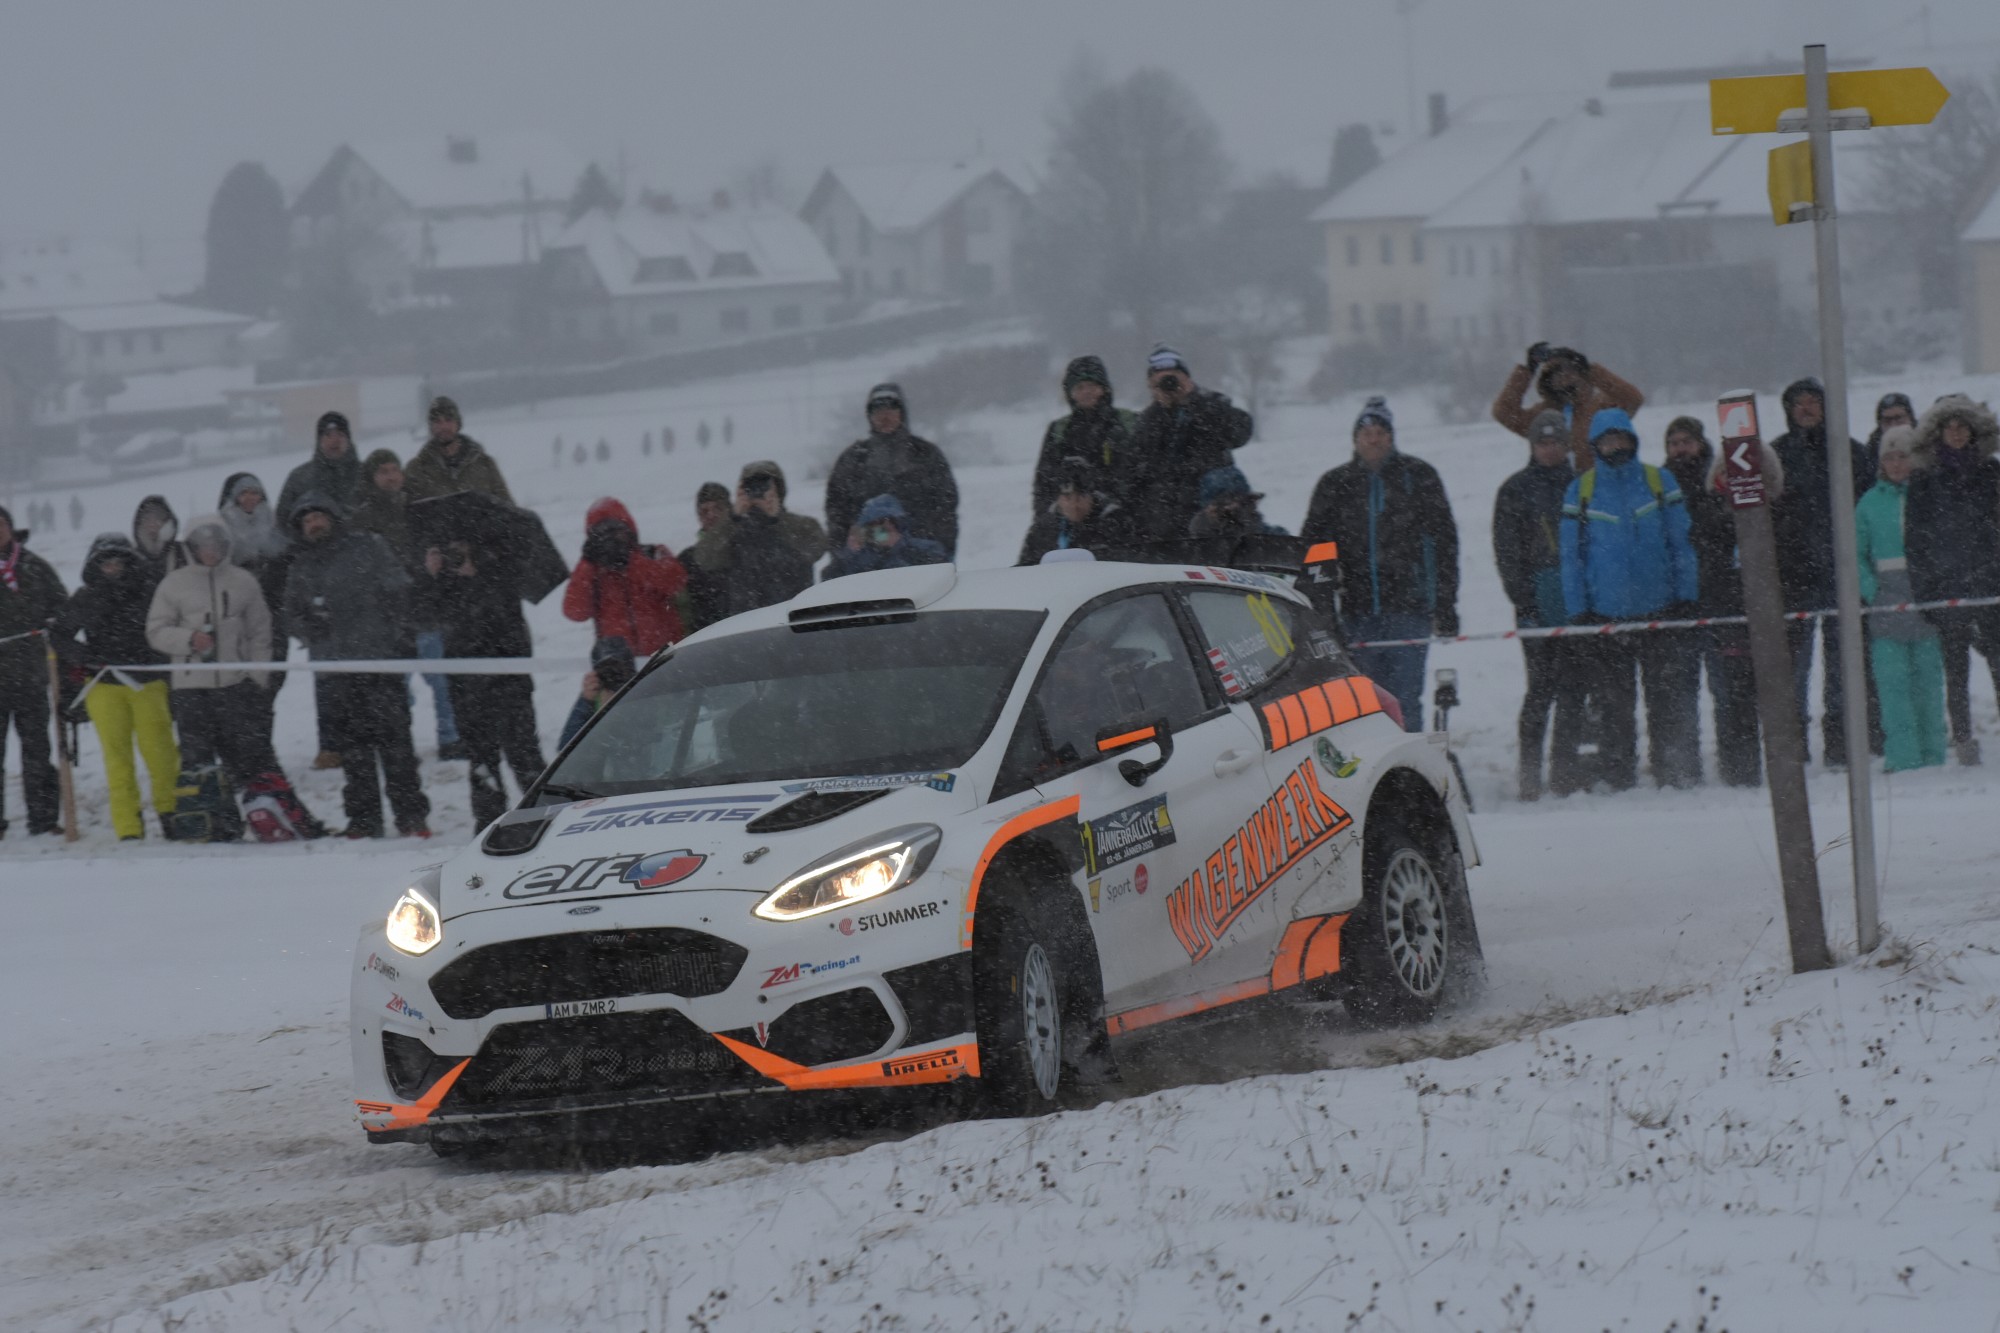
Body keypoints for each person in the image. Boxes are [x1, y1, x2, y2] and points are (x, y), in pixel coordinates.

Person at [146, 515, 323, 840]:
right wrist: (189, 639)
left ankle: (279, 818)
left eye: (216, 544)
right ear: (192, 547)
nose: (210, 551)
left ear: (226, 545)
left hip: (235, 688)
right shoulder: (173, 584)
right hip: (190, 690)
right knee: (198, 763)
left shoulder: (244, 581)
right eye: (203, 544)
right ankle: (215, 825)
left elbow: (260, 633)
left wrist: (256, 677)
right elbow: (156, 631)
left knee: (256, 757)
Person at [1559, 409, 1701, 790]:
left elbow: (1681, 544)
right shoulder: (1581, 490)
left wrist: (1686, 595)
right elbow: (1571, 558)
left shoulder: (1658, 481)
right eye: (1607, 441)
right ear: (1596, 446)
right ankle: (1618, 773)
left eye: (1621, 439)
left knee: (1665, 698)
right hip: (1606, 615)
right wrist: (1578, 611)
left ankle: (1672, 769)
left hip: (1660, 610)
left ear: (1633, 441)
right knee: (1613, 703)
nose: (1615, 447)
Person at [1300, 396, 1459, 730]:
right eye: (1367, 433)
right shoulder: (1334, 483)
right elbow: (1313, 548)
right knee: (1361, 701)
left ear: (1391, 437)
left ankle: (1410, 760)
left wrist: (1445, 604)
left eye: (1380, 433)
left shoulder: (1419, 476)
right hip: (1355, 614)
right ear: (1355, 439)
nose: (1374, 440)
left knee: (1405, 699)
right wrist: (1320, 609)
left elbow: (1445, 545)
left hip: (1409, 611)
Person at [284, 493, 430, 838]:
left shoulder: (368, 546)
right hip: (336, 670)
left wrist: (396, 633)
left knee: (397, 746)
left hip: (379, 662)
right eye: (306, 521)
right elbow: (291, 612)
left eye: (318, 517)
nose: (313, 525)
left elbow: (399, 589)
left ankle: (411, 817)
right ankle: (364, 820)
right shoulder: (301, 565)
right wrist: (310, 626)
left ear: (333, 516)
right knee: (354, 753)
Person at [1768, 377, 1872, 765]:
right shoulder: (1775, 455)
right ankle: (1794, 745)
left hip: (1841, 574)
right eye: (1799, 403)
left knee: (1843, 666)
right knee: (1794, 669)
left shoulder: (1849, 453)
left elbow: (1866, 511)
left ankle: (1841, 742)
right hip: (1792, 578)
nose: (1807, 409)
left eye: (1813, 401)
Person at [417, 534, 547, 830]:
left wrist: (475, 577)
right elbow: (420, 617)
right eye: (453, 553)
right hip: (466, 689)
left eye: (464, 552)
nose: (458, 559)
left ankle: (545, 818)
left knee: (524, 756)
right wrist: (432, 577)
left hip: (509, 685)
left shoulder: (502, 580)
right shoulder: (445, 586)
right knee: (481, 761)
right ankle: (489, 824)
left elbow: (505, 628)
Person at [57, 534, 181, 840]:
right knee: (117, 759)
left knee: (161, 754)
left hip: (148, 684)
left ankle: (172, 816)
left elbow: (168, 629)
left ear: (130, 562)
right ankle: (128, 827)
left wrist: (152, 657)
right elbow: (59, 635)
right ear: (95, 565)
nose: (112, 568)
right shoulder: (85, 597)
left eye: (118, 561)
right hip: (103, 687)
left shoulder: (151, 592)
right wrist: (86, 657)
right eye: (106, 563)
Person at [1492, 409, 1587, 799]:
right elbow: (1507, 552)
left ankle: (1565, 773)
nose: (1549, 450)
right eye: (1542, 443)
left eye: (1555, 442)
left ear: (1566, 445)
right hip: (1536, 602)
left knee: (1574, 691)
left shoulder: (1580, 484)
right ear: (1532, 446)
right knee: (1540, 690)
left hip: (1576, 602)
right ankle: (1529, 775)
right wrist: (1524, 601)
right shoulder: (1515, 489)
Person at [1661, 417, 1759, 788]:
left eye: (1686, 441)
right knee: (1680, 691)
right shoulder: (1660, 484)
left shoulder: (1720, 481)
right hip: (1678, 603)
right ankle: (1682, 770)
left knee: (1730, 688)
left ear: (1701, 443)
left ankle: (1740, 766)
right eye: (1674, 442)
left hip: (1724, 601)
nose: (1680, 449)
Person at [1905, 394, 2000, 766]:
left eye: (1963, 427)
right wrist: (1925, 592)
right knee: (1955, 670)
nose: (1957, 433)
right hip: (1946, 587)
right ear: (1938, 432)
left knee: (1998, 661)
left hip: (1990, 584)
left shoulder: (1991, 472)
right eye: (1951, 427)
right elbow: (1916, 539)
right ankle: (1963, 739)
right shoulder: (1924, 479)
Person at [352, 447, 462, 760]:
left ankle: (450, 738)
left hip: (427, 610)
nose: (390, 477)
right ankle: (399, 741)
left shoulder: (420, 508)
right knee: (395, 684)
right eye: (383, 472)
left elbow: (438, 547)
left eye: (394, 470)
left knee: (440, 679)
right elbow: (367, 568)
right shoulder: (362, 518)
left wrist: (437, 565)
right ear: (372, 477)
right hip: (387, 617)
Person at [1856, 426, 1947, 773]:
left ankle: (1934, 754)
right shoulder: (1869, 503)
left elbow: (1942, 545)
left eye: (1903, 456)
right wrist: (1872, 592)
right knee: (1893, 687)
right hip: (1887, 609)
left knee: (1929, 684)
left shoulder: (1929, 496)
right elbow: (1855, 555)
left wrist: (1935, 587)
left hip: (1926, 607)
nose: (1896, 464)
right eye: (1889, 457)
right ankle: (1903, 756)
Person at [1124, 344, 1255, 549]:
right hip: (1163, 526)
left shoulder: (1212, 405)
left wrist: (1193, 400)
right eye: (1161, 381)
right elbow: (1135, 471)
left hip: (1212, 520)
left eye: (1173, 378)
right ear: (1151, 387)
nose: (1169, 385)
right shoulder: (1146, 422)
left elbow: (1241, 432)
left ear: (1187, 379)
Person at [825, 383, 959, 556]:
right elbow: (836, 509)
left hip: (921, 553)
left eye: (891, 409)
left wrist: (917, 541)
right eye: (878, 410)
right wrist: (847, 545)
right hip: (865, 558)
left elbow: (946, 506)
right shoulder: (853, 459)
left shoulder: (925, 454)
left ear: (902, 413)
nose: (885, 416)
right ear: (869, 416)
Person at [0, 505, 66, 837]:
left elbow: (61, 606)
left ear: (11, 528)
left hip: (31, 675)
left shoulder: (35, 566)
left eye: (1, 524)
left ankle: (42, 818)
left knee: (37, 750)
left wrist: (53, 623)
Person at [696, 461, 828, 616]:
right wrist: (734, 517)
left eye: (764, 486)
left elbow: (814, 551)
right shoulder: (733, 531)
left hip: (796, 614)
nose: (758, 492)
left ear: (779, 490)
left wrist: (778, 520)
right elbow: (705, 559)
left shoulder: (803, 525)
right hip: (749, 620)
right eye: (751, 487)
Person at [1491, 343, 1645, 474]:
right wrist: (1528, 370)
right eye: (1556, 374)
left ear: (1582, 375)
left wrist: (1592, 370)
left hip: (1596, 486)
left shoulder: (1601, 407)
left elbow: (1633, 399)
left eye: (1570, 371)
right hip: (1555, 487)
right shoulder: (1543, 415)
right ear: (1547, 380)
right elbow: (1503, 413)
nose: (1564, 378)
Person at [563, 497, 689, 656]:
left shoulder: (653, 554)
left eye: (616, 531)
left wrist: (632, 561)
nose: (610, 540)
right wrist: (587, 563)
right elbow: (574, 612)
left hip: (665, 658)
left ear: (630, 530)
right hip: (620, 664)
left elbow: (675, 582)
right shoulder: (595, 573)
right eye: (602, 534)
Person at [1031, 356, 1138, 515]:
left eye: (1092, 385)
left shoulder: (1128, 423)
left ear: (1104, 388)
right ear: (1070, 393)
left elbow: (1143, 474)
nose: (1086, 392)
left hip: (1124, 518)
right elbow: (1043, 485)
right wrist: (1054, 513)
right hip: (1071, 519)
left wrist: (1111, 504)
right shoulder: (1059, 430)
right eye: (1079, 387)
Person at [1017, 455, 1141, 565]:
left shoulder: (1115, 524)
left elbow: (1130, 566)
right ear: (1058, 498)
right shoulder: (1043, 530)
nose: (1074, 505)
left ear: (1092, 495)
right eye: (1068, 497)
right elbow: (1025, 570)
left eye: (1082, 496)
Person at [402, 396, 512, 504]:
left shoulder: (484, 464)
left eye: (448, 420)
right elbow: (404, 511)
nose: (443, 427)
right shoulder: (417, 469)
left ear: (458, 424)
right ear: (431, 427)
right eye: (437, 421)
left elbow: (508, 508)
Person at [825, 494, 949, 580]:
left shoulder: (926, 549)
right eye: (873, 526)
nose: (879, 531)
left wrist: (898, 549)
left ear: (898, 525)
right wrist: (849, 554)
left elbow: (939, 575)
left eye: (886, 525)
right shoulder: (858, 558)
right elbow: (830, 581)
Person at [1185, 464, 1288, 565]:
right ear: (1207, 508)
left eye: (1241, 501)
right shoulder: (1190, 545)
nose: (1232, 507)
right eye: (1222, 502)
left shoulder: (1271, 537)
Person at [277, 411, 364, 525]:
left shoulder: (366, 474)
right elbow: (282, 521)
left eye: (340, 434)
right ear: (319, 441)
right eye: (328, 435)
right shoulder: (299, 478)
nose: (335, 440)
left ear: (348, 440)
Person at [559, 636, 637, 749]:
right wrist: (586, 702)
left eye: (618, 670)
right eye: (606, 671)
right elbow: (567, 748)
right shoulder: (593, 697)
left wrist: (632, 696)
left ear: (631, 671)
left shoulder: (646, 691)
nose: (612, 676)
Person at [678, 483, 732, 633]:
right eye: (704, 511)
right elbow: (683, 613)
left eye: (718, 508)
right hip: (707, 641)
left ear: (730, 510)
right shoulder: (687, 560)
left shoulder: (746, 548)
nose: (711, 515)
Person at [131, 495, 188, 585]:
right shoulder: (133, 558)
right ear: (140, 524)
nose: (152, 524)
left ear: (167, 522)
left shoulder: (183, 552)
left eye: (157, 519)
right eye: (147, 519)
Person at [1864, 392, 1916, 479]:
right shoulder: (1870, 453)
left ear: (1911, 419)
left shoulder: (1926, 444)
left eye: (1899, 418)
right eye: (1887, 420)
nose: (1893, 425)